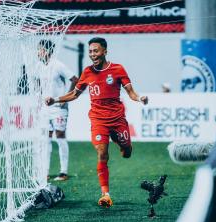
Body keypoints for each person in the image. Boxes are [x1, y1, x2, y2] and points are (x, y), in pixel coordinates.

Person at [45, 37, 148, 207]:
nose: (93, 54)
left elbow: (131, 92)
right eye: (91, 51)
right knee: (102, 153)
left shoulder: (117, 69)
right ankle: (105, 194)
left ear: (105, 51)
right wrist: (55, 99)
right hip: (98, 119)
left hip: (117, 119)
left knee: (127, 153)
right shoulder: (87, 72)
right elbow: (74, 94)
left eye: (96, 51)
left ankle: (122, 143)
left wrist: (140, 98)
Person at [37, 39, 78, 181]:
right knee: (46, 139)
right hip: (45, 108)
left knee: (60, 136)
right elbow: (41, 85)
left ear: (48, 51)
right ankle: (45, 171)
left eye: (41, 49)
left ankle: (63, 172)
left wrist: (65, 98)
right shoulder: (40, 67)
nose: (39, 52)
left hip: (59, 107)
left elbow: (75, 79)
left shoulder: (58, 65)